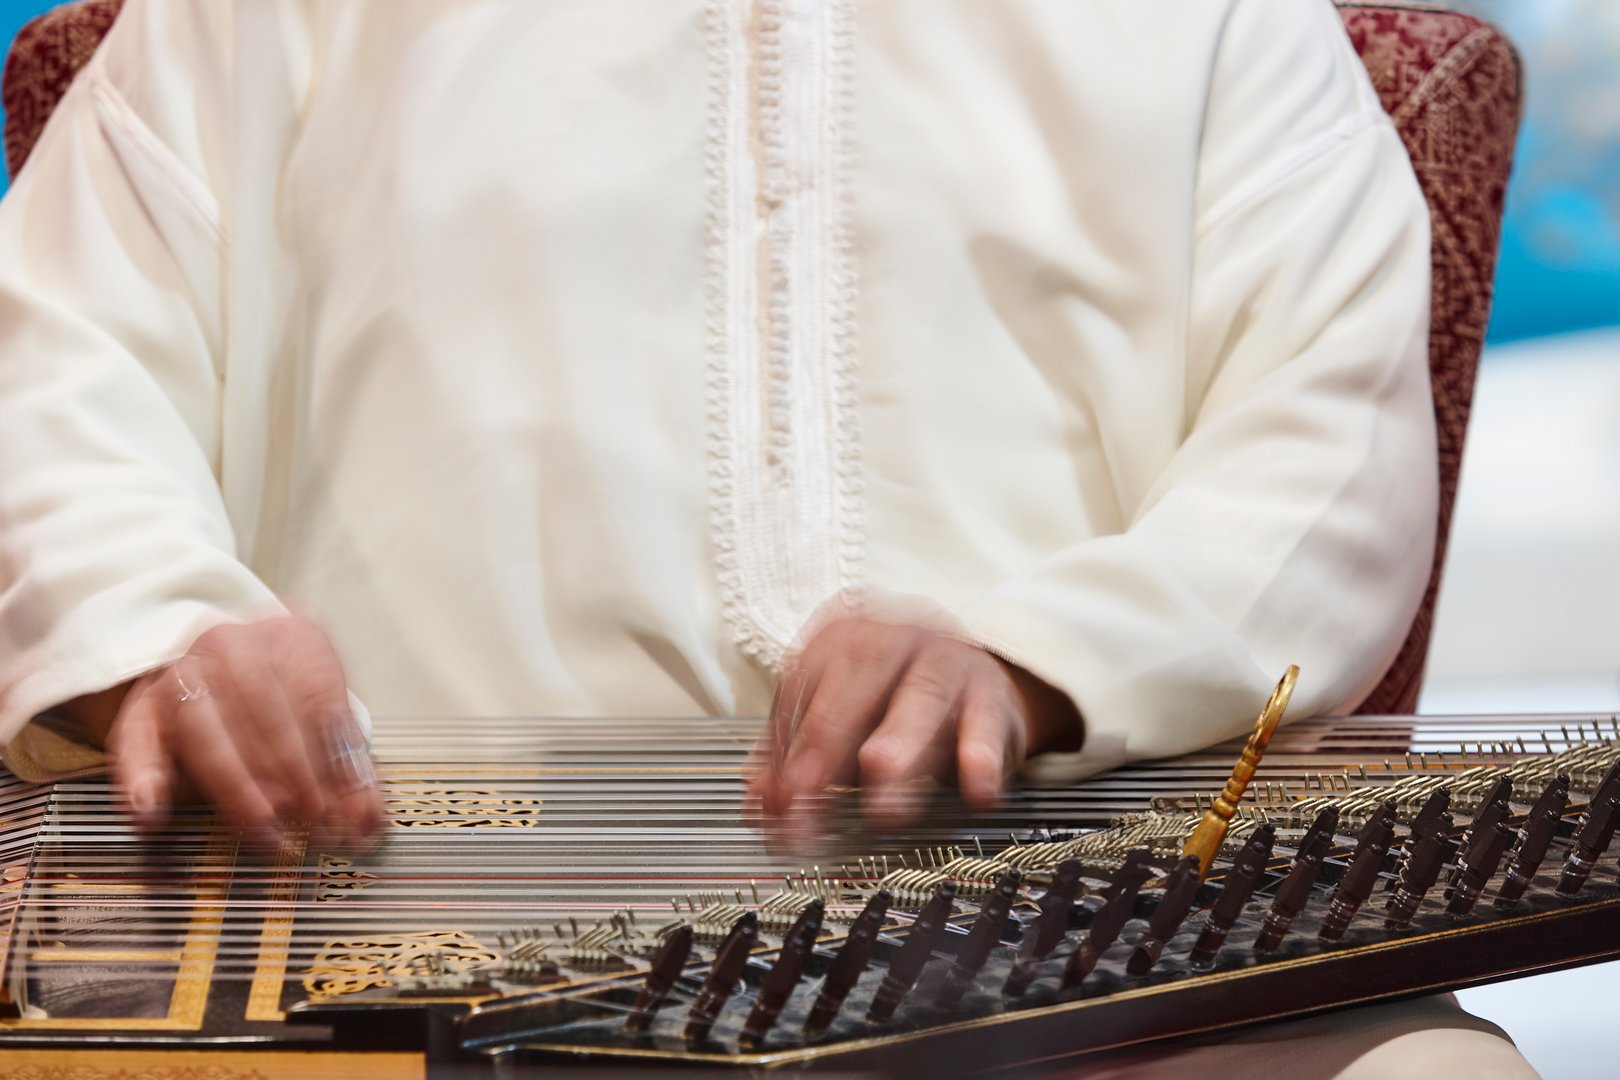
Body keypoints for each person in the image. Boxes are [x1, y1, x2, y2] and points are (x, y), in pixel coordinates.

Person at [0, 2, 1535, 1074]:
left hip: (1082, 940)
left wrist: (1030, 664)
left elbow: (1326, 454)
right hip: (391, 933)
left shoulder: (1218, 21)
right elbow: (55, 378)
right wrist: (155, 640)